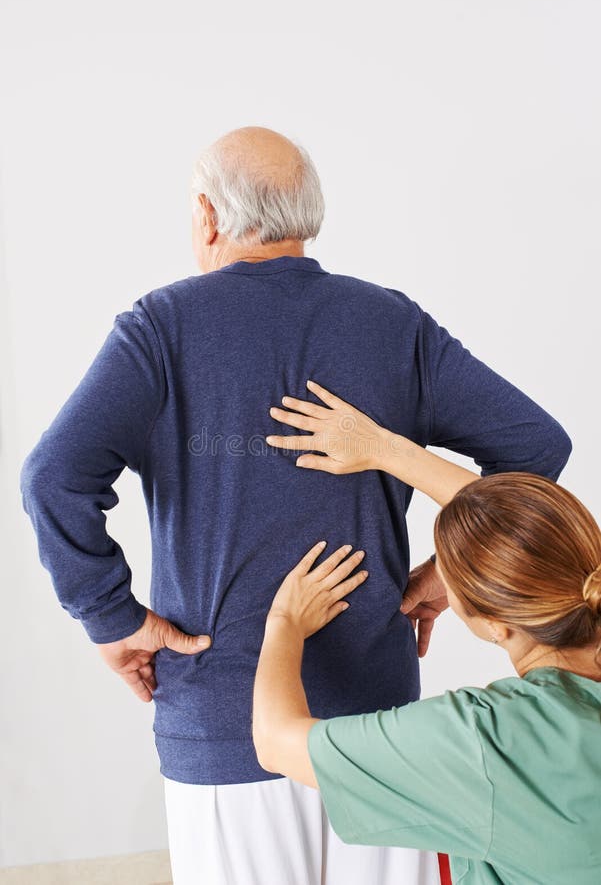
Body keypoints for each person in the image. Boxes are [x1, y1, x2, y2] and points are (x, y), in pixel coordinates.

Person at [20, 126, 572, 885]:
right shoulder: (391, 323)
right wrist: (449, 570)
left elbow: (54, 476)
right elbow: (535, 448)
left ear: (207, 216)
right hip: (378, 736)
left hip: (223, 717)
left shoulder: (159, 328)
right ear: (308, 215)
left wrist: (110, 617)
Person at [253, 382, 601, 885]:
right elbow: (533, 533)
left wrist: (284, 620)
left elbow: (276, 743)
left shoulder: (490, 742)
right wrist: (382, 447)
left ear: (491, 624)